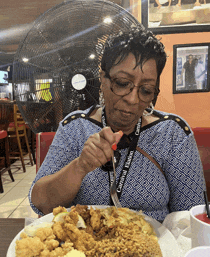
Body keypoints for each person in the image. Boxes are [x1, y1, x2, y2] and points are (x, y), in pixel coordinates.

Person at [29, 26, 205, 222]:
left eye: (146, 90)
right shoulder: (75, 128)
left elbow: (192, 218)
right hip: (84, 246)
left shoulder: (173, 134)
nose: (132, 99)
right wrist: (80, 166)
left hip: (154, 247)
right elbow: (39, 202)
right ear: (102, 79)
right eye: (122, 83)